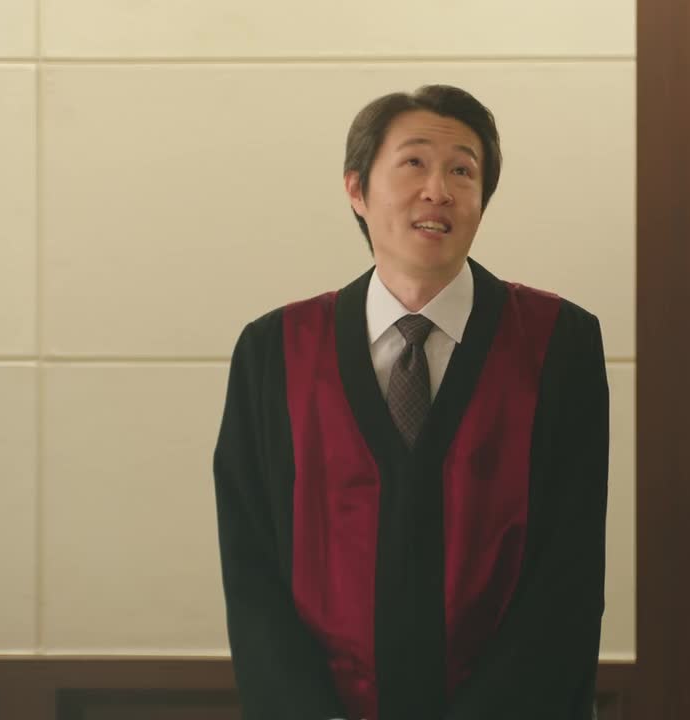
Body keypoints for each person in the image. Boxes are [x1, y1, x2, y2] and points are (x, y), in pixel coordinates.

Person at [213, 85, 609, 720]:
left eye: (462, 171)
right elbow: (251, 568)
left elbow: (569, 573)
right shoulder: (274, 353)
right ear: (357, 189)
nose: (438, 190)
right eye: (414, 163)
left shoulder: (557, 344)